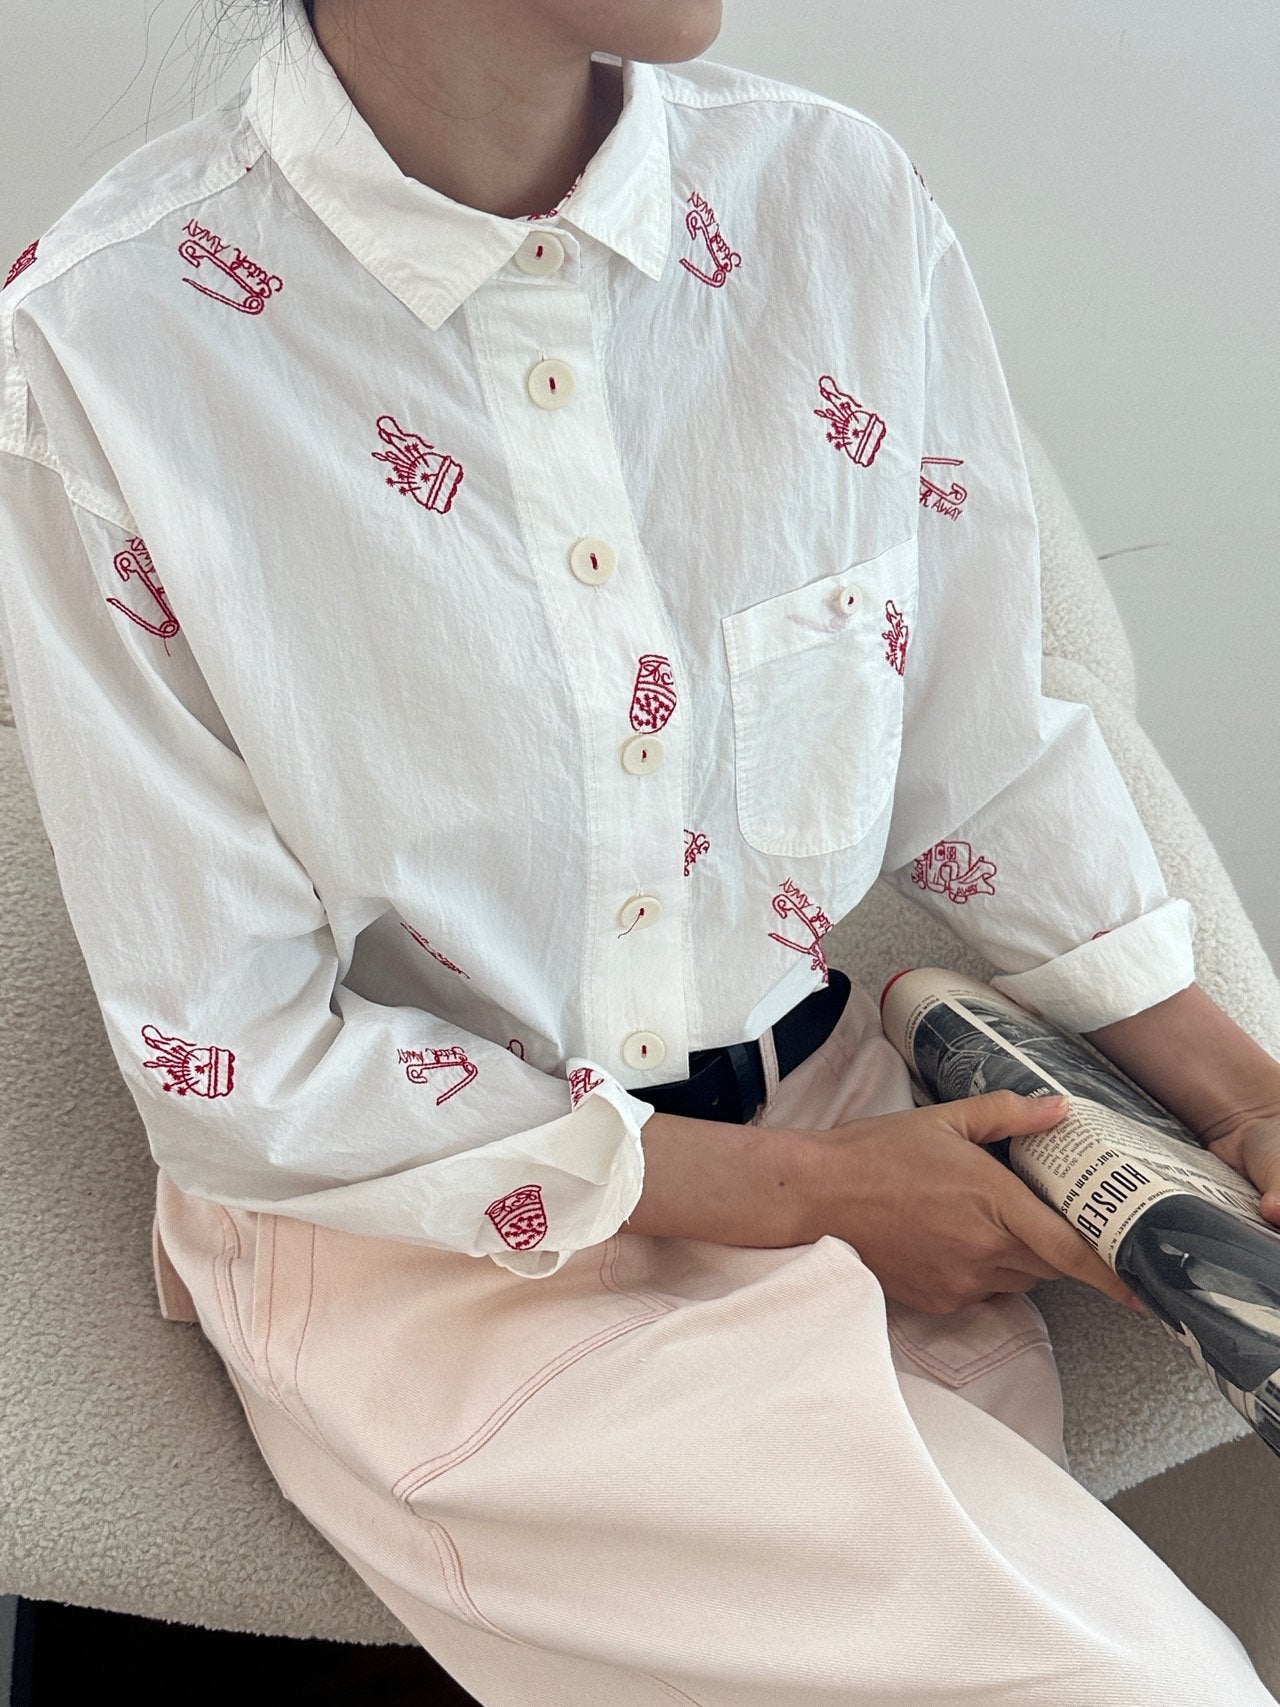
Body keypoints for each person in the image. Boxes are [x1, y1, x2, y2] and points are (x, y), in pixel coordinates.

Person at [3, 0, 1279, 1700]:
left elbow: (975, 756)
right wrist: (816, 1199)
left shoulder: (836, 204)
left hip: (852, 1148)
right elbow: (235, 1054)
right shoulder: (103, 344)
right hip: (440, 1260)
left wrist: (1242, 1097)